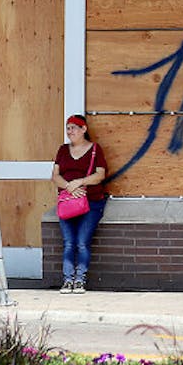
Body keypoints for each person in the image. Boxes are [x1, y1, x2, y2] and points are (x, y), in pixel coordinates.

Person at [51, 114, 107, 294]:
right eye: (68, 128)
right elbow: (55, 176)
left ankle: (80, 280)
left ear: (84, 129)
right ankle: (67, 280)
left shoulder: (95, 150)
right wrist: (69, 186)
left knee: (82, 242)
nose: (70, 131)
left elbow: (100, 175)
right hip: (67, 202)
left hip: (91, 203)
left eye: (74, 127)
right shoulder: (62, 150)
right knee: (69, 243)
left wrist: (80, 182)